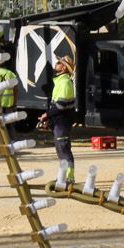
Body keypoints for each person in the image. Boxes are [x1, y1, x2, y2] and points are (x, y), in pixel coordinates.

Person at [49, 48, 77, 186]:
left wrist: (47, 114)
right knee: (61, 152)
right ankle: (62, 177)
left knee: (64, 151)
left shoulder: (65, 83)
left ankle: (69, 178)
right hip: (58, 123)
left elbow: (61, 105)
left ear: (64, 68)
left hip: (62, 123)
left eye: (59, 62)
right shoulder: (60, 81)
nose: (56, 64)